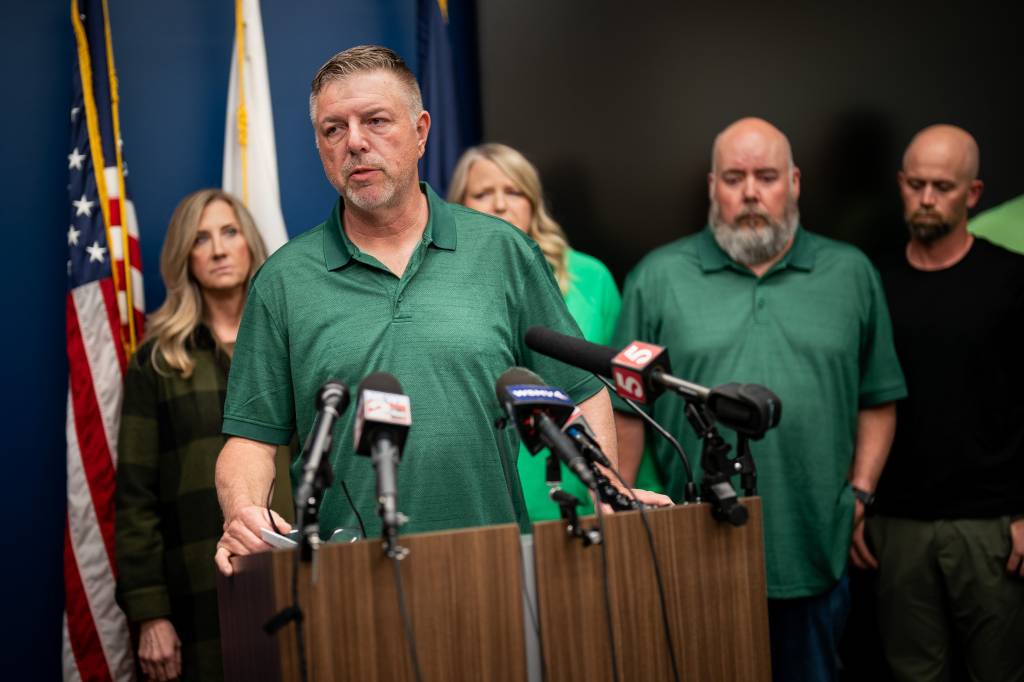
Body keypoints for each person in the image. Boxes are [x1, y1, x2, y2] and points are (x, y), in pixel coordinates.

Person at [213, 46, 667, 576]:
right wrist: (243, 513)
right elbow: (249, 440)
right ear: (319, 146)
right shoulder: (283, 280)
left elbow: (582, 393)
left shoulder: (503, 252)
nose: (355, 141)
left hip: (496, 566)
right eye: (333, 129)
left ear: (422, 130)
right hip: (346, 582)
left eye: (376, 121)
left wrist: (604, 490)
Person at [613, 117, 907, 682]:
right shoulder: (658, 277)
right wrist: (625, 501)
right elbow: (628, 410)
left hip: (815, 548)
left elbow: (879, 395)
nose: (750, 191)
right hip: (692, 551)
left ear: (794, 183)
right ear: (711, 187)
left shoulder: (850, 273)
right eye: (734, 177)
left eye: (767, 176)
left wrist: (861, 493)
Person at [115, 189, 294, 681]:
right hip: (198, 589)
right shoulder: (157, 362)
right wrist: (150, 613)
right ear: (184, 257)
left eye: (229, 232)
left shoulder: (292, 346)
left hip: (296, 574)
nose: (218, 249)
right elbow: (136, 500)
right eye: (201, 238)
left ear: (250, 243)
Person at [870, 124, 1024, 682]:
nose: (927, 199)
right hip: (898, 524)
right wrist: (862, 509)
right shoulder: (875, 283)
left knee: (1000, 671)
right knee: (910, 672)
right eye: (916, 184)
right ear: (900, 184)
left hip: (992, 525)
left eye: (943, 186)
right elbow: (859, 401)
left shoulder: (1011, 280)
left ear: (973, 193)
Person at [447, 143, 664, 520]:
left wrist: (614, 490)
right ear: (459, 206)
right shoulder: (445, 288)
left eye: (514, 192)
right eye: (483, 193)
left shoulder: (590, 278)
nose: (500, 205)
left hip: (592, 492)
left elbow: (624, 399)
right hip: (498, 501)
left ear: (533, 203)